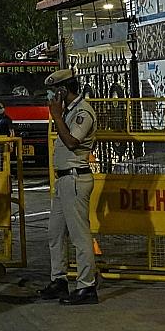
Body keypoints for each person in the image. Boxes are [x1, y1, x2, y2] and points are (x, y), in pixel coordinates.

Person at [39, 68, 99, 305]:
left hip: (75, 180)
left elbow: (73, 142)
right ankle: (59, 280)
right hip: (63, 181)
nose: (52, 97)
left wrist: (56, 116)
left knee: (79, 236)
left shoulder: (83, 112)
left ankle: (86, 286)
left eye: (55, 92)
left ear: (64, 90)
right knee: (55, 233)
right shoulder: (70, 111)